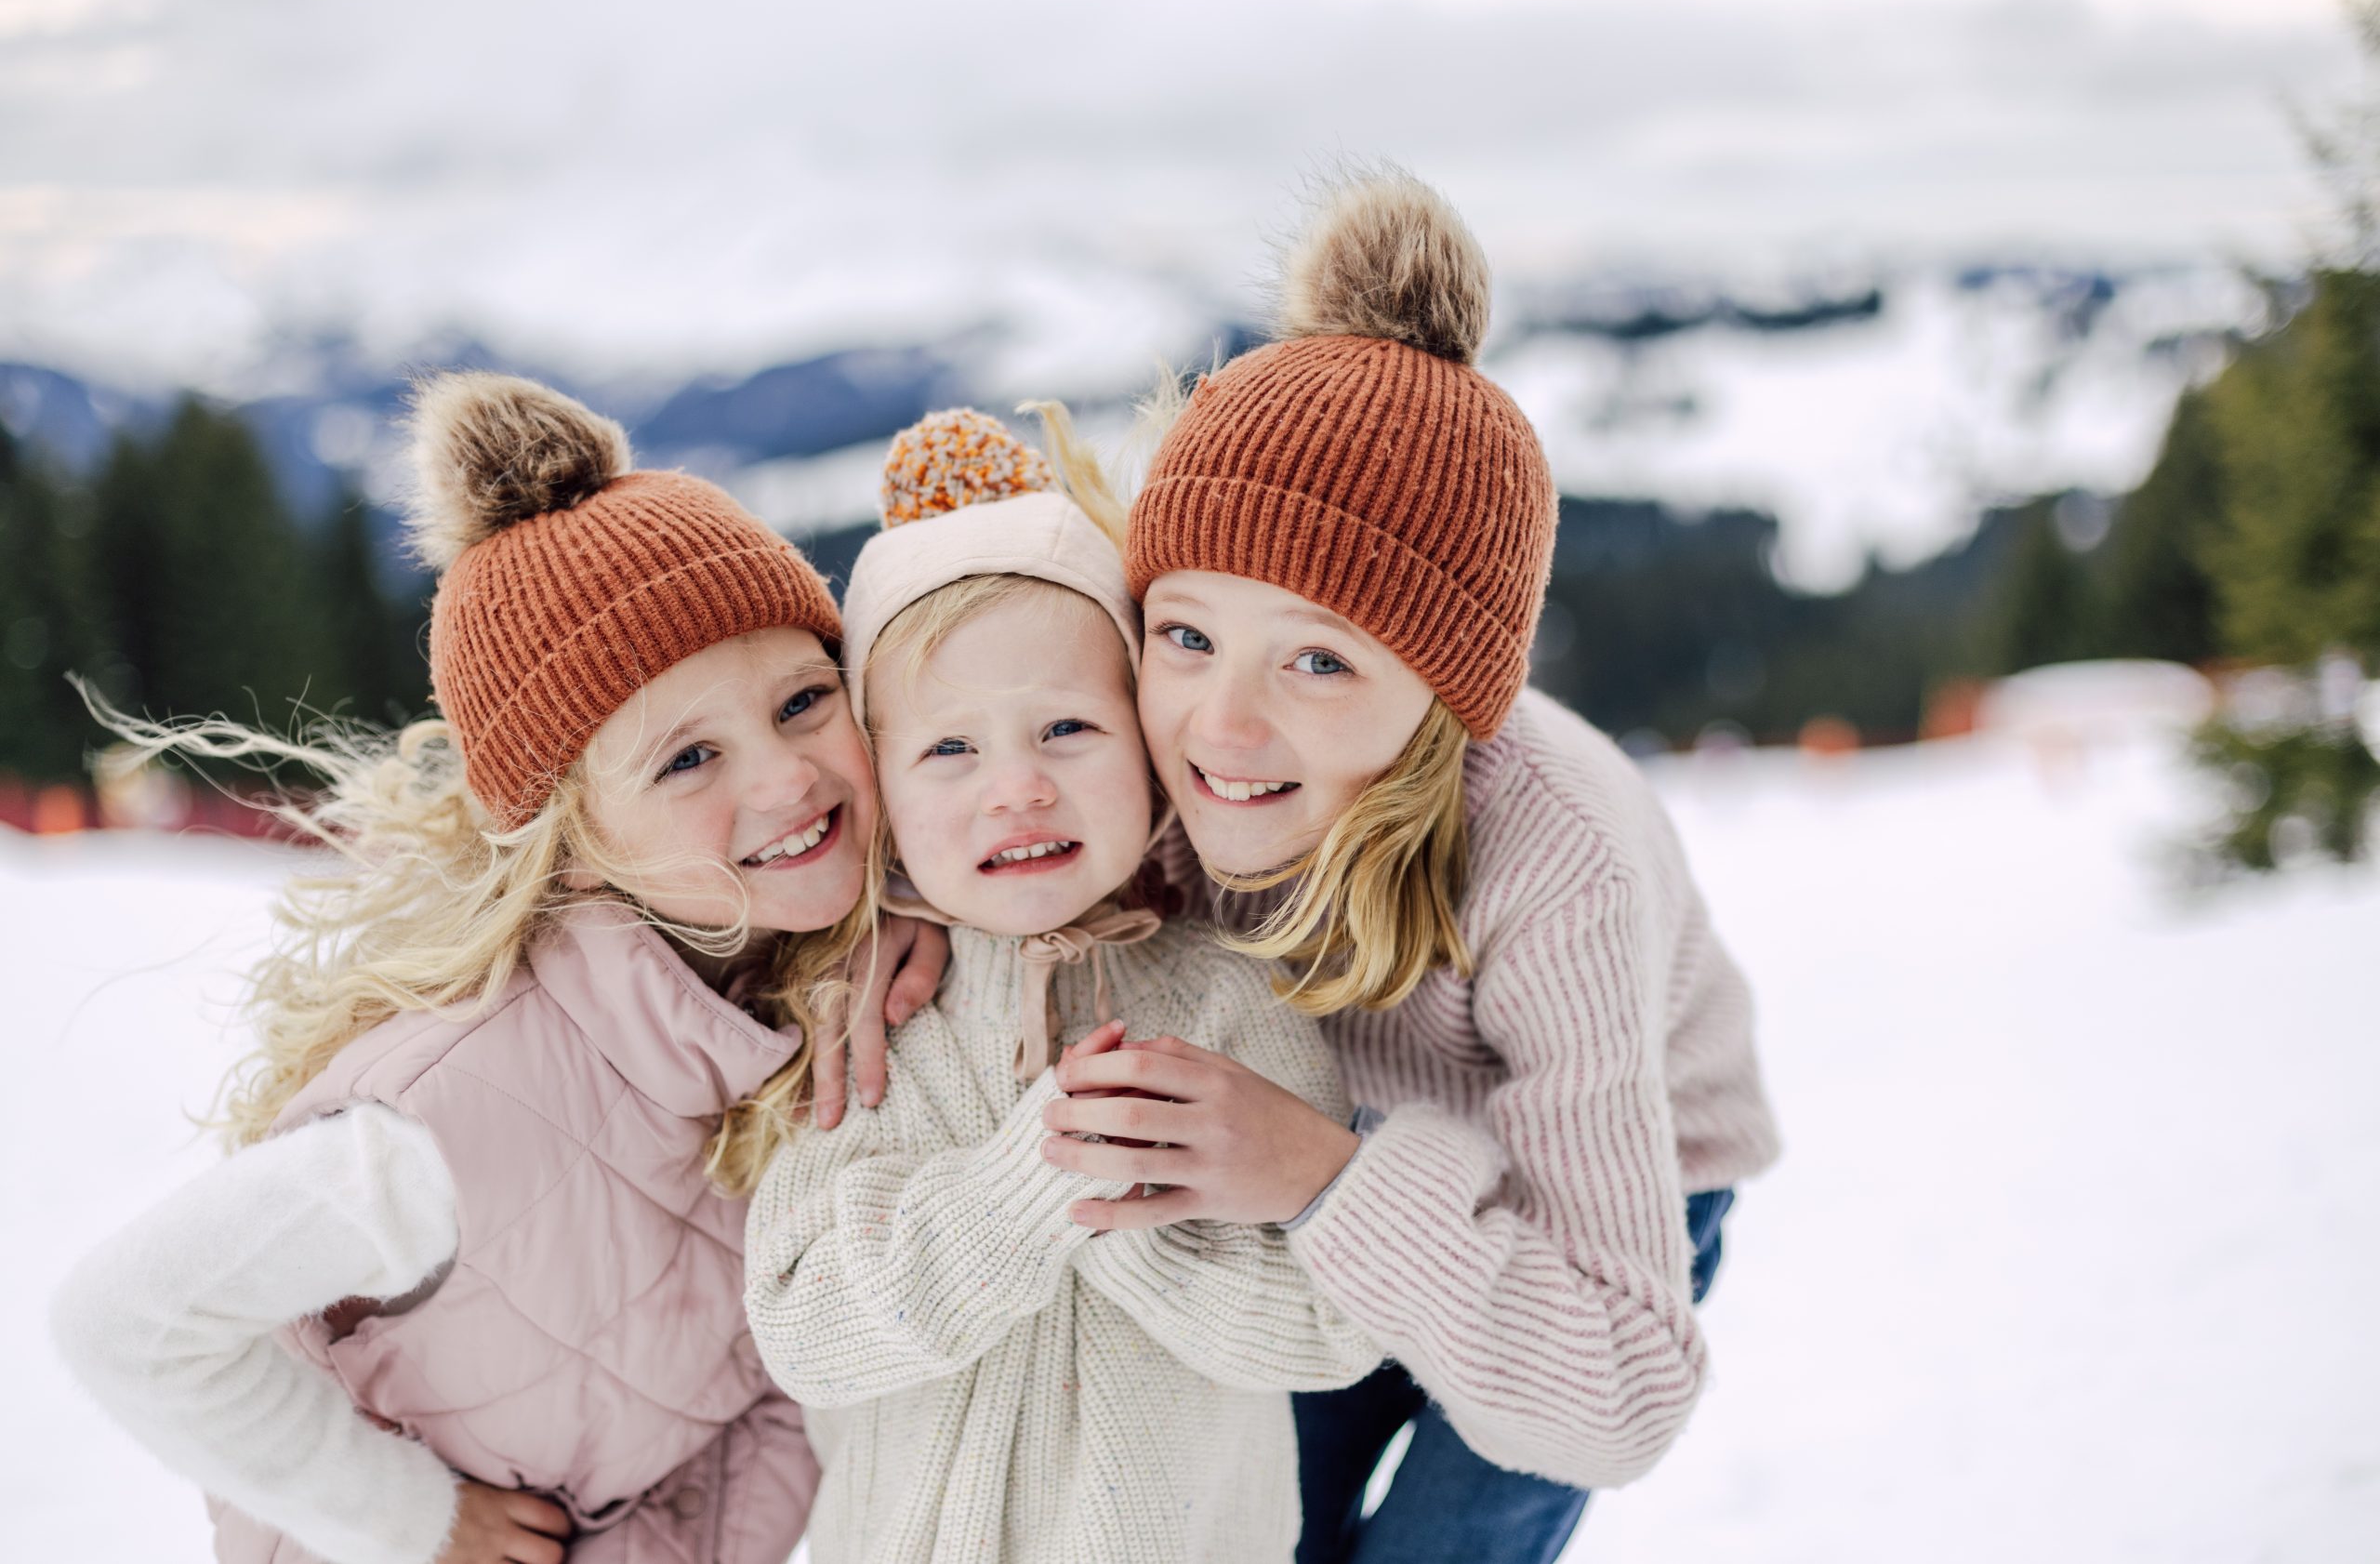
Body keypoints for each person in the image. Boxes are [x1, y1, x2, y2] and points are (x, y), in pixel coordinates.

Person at [1035, 166, 1785, 1563]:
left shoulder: (1554, 863)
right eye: (1188, 633)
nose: (1225, 724)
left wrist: (1326, 1177)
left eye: (1321, 657)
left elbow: (1618, 1391)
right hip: (1332, 1157)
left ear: (1446, 694)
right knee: (1256, 1524)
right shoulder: (1154, 759)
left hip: (1600, 1199)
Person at [50, 373, 870, 1564]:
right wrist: (409, 1521)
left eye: (804, 699)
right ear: (569, 834)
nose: (788, 777)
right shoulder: (447, 1116)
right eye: (688, 757)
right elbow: (127, 1320)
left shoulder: (780, 1007)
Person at [743, 408, 1380, 1564]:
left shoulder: (1231, 1006)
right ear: (878, 787)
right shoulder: (867, 1029)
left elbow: (1328, 1328)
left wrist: (1124, 1209)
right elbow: (805, 1329)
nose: (1018, 789)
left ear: (1147, 746)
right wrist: (1028, 1184)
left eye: (1068, 728)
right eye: (950, 749)